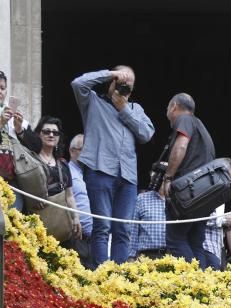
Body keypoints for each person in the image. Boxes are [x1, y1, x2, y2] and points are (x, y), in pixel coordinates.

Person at [71, 66, 155, 266]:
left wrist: (123, 108)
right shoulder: (93, 101)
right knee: (102, 226)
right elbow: (77, 83)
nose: (124, 86)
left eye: (129, 85)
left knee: (123, 228)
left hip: (128, 177)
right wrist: (110, 73)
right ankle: (102, 276)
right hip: (100, 171)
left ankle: (119, 277)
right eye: (121, 82)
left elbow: (146, 134)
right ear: (111, 83)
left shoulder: (135, 109)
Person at [161, 93, 216, 266]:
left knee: (175, 240)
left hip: (188, 192)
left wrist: (168, 177)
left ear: (174, 106)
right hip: (205, 192)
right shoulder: (202, 127)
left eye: (168, 108)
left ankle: (188, 286)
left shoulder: (184, 119)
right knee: (195, 242)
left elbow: (181, 145)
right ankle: (200, 285)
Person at [29, 116, 84, 250]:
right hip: (36, 225)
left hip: (62, 225)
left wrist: (76, 217)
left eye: (55, 132)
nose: (51, 135)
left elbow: (69, 195)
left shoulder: (64, 164)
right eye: (46, 131)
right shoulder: (31, 160)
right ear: (38, 134)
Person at [0, 70, 26, 211]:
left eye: (3, 88)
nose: (0, 92)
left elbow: (35, 147)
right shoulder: (4, 117)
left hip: (12, 182)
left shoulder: (11, 114)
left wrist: (19, 129)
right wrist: (0, 122)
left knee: (13, 229)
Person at [67, 134, 93, 264]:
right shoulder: (66, 171)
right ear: (72, 151)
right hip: (77, 238)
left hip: (94, 240)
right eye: (83, 149)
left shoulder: (91, 174)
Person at [129, 186, 169, 260]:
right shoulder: (142, 198)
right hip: (146, 257)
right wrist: (131, 256)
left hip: (172, 257)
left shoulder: (179, 198)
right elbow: (133, 229)